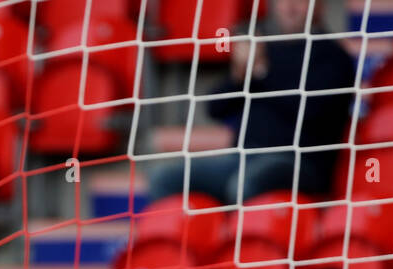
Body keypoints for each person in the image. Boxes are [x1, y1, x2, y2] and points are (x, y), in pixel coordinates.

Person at [146, 0, 356, 203]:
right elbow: (215, 108)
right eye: (283, 1)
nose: (290, 7)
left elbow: (310, 111)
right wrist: (240, 75)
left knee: (245, 183)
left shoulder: (334, 57)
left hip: (300, 163)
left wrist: (260, 73)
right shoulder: (266, 50)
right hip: (242, 157)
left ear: (319, 5)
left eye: (299, 1)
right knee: (164, 178)